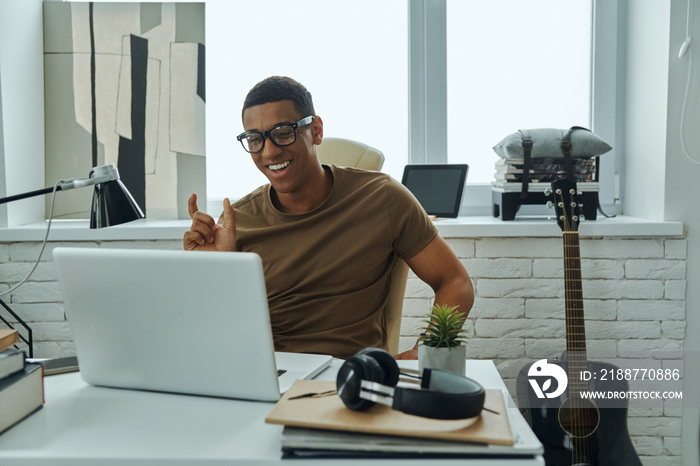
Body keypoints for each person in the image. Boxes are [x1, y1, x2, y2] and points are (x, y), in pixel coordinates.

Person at [184, 76, 473, 359]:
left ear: (316, 130)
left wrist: (426, 351)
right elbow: (219, 335)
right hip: (271, 375)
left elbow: (454, 282)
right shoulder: (238, 221)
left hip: (351, 378)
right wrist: (214, 271)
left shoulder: (383, 197)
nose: (269, 151)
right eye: (255, 139)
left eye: (283, 132)